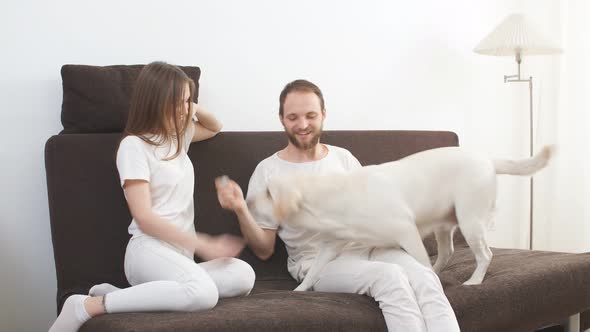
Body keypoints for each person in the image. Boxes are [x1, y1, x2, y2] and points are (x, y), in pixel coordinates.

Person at [215, 79, 460, 332]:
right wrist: (241, 209)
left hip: (370, 247)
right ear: (281, 118)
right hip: (318, 263)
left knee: (425, 277)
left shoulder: (343, 158)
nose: (302, 125)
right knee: (391, 278)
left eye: (310, 115)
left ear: (323, 114)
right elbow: (264, 249)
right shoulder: (269, 171)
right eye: (293, 117)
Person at [49, 61, 255, 332]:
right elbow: (144, 217)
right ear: (158, 102)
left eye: (187, 102)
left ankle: (127, 294)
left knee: (243, 275)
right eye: (179, 103)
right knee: (203, 293)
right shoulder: (134, 146)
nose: (186, 110)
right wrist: (203, 243)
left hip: (179, 258)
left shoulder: (178, 138)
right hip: (148, 251)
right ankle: (85, 306)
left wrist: (189, 103)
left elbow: (215, 126)